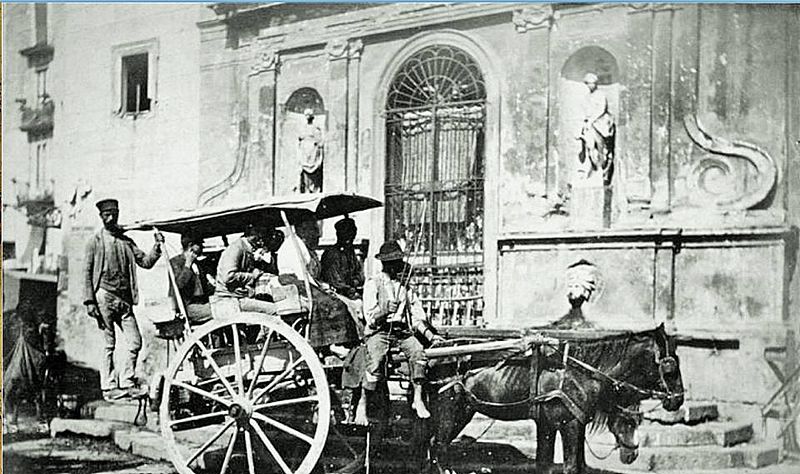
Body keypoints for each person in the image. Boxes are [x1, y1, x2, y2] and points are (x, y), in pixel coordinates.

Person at [83, 198, 163, 401]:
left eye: (114, 214)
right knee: (108, 344)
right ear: (101, 217)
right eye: (107, 215)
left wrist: (157, 247)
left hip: (125, 301)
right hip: (104, 297)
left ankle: (127, 382)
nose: (111, 218)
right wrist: (89, 302)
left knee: (135, 342)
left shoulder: (126, 242)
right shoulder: (95, 242)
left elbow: (146, 262)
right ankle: (109, 387)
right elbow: (86, 272)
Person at [355, 240, 442, 425]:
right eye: (393, 262)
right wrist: (385, 311)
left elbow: (416, 318)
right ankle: (363, 403)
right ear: (385, 263)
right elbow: (370, 318)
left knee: (419, 353)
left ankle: (417, 399)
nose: (397, 266)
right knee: (375, 360)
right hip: (380, 331)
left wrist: (430, 335)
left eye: (397, 261)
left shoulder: (405, 287)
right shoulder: (373, 284)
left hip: (402, 332)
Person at [214, 224, 278, 315]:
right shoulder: (236, 248)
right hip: (231, 300)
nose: (262, 241)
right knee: (274, 310)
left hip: (240, 297)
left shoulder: (246, 248)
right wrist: (252, 276)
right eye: (261, 235)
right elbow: (228, 277)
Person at [577, 72, 616, 185]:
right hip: (590, 125)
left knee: (601, 149)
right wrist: (586, 122)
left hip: (600, 125)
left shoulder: (600, 95)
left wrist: (591, 120)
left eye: (592, 83)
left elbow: (601, 109)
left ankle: (602, 171)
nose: (590, 85)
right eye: (588, 83)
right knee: (589, 147)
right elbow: (584, 111)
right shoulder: (586, 97)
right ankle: (592, 169)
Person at [169, 233, 213, 325]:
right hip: (188, 307)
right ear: (190, 246)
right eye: (199, 244)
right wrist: (187, 265)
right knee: (219, 310)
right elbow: (179, 285)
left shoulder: (198, 263)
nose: (202, 247)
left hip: (202, 304)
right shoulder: (175, 262)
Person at [320, 217, 365, 300]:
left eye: (352, 235)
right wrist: (350, 287)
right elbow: (335, 282)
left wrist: (354, 282)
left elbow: (360, 276)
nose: (350, 239)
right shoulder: (332, 254)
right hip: (333, 295)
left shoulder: (350, 253)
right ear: (338, 235)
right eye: (346, 235)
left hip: (350, 293)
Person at [298, 108, 324, 193]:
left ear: (312, 117)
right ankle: (306, 189)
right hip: (305, 151)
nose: (307, 116)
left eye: (309, 115)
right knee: (305, 170)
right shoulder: (303, 128)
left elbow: (319, 141)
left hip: (313, 151)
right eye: (306, 115)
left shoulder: (316, 128)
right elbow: (300, 138)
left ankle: (314, 189)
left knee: (314, 171)